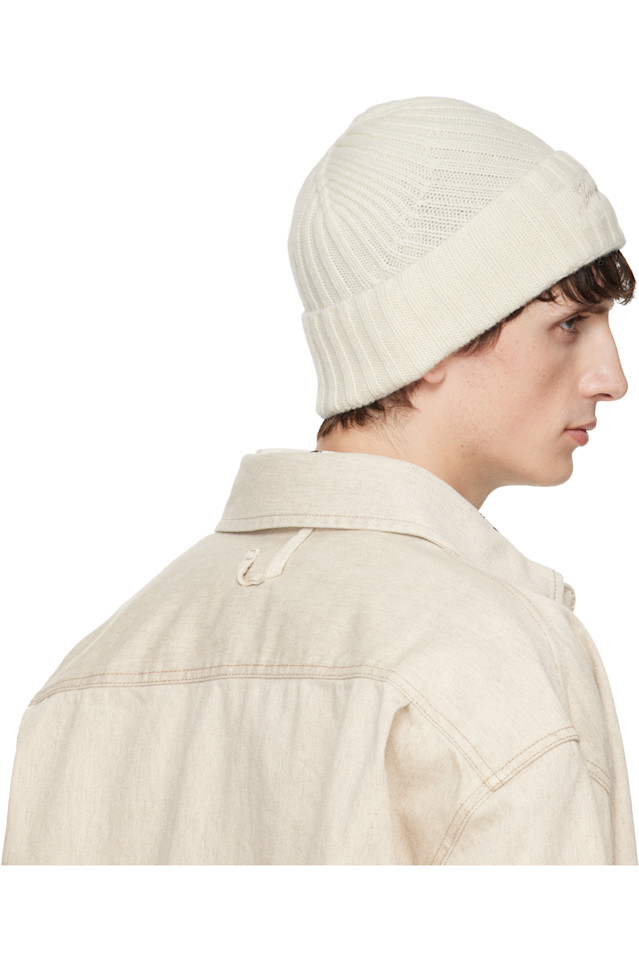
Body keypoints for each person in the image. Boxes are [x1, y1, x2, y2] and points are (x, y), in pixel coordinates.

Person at [3, 97, 636, 865]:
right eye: (568, 324)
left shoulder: (90, 676)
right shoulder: (490, 661)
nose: (611, 378)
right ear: (428, 338)